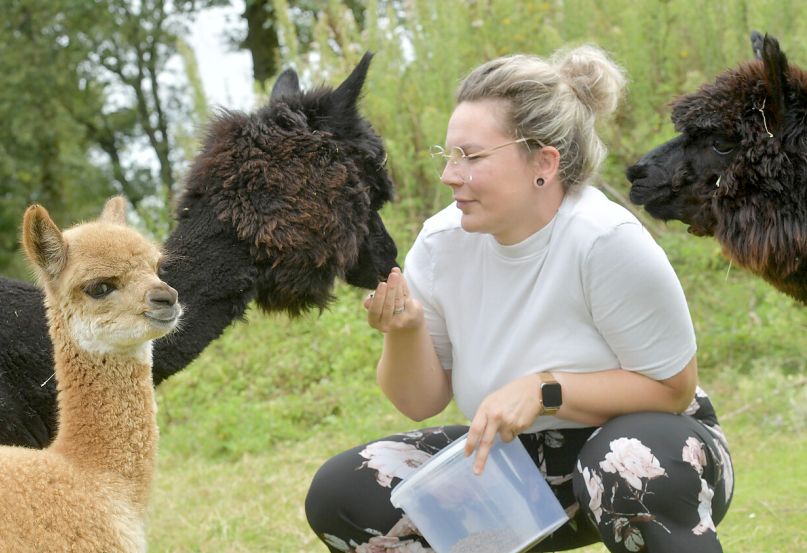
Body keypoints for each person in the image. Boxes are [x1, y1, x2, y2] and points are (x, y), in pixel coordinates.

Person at [304, 45, 734, 553]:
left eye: (472, 157)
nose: (449, 176)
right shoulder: (442, 243)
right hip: (519, 465)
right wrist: (404, 332)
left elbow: (672, 390)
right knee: (344, 491)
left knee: (619, 461)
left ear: (544, 163)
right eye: (448, 156)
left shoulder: (604, 240)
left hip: (662, 451)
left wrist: (544, 390)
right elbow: (418, 402)